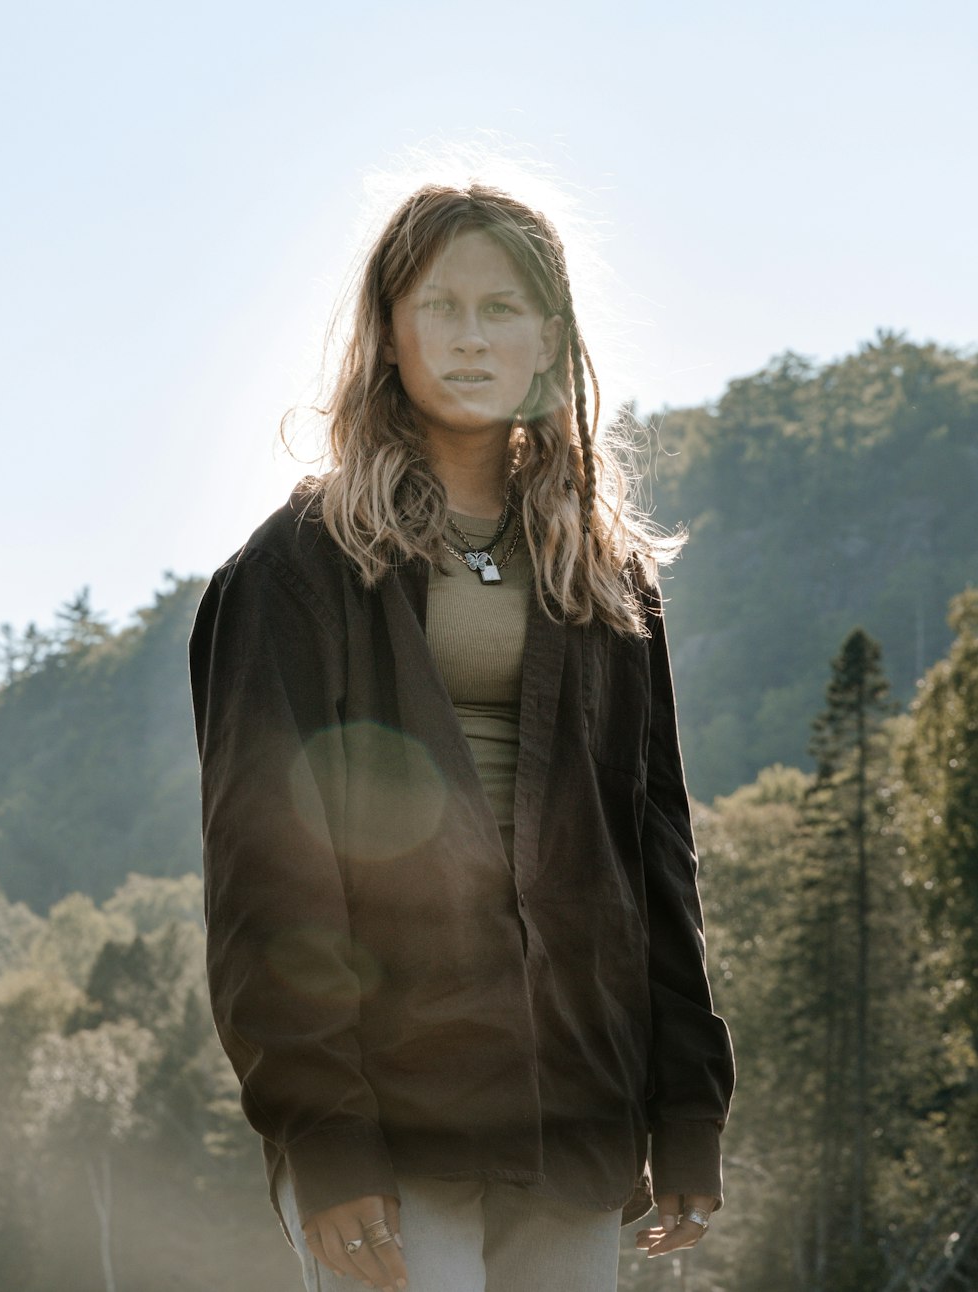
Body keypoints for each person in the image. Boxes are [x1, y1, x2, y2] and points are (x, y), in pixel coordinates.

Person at [189, 176, 734, 1292]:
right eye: (440, 307)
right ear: (388, 334)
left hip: (573, 1101)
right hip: (387, 1108)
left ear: (550, 337)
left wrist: (686, 1106)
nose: (471, 338)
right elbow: (264, 879)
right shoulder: (295, 569)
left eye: (503, 309)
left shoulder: (608, 574)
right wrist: (323, 1134)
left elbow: (655, 849)